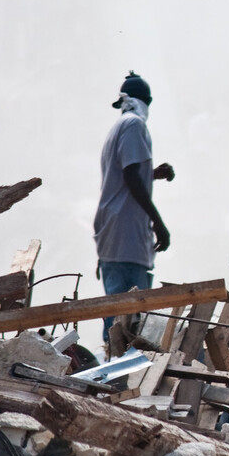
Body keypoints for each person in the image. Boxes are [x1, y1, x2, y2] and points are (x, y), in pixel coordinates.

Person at [93, 71, 173, 338]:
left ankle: (111, 375)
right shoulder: (135, 125)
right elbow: (129, 177)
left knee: (114, 323)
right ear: (147, 101)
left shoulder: (117, 127)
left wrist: (153, 174)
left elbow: (124, 174)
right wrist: (158, 222)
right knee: (133, 327)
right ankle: (125, 377)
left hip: (112, 238)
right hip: (127, 239)